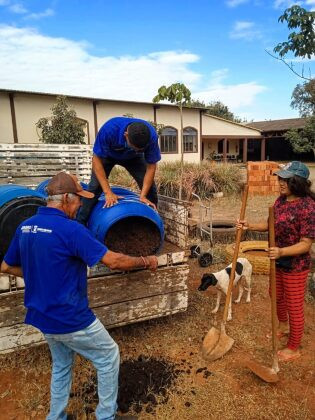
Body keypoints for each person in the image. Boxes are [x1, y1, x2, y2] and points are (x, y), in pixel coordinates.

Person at [0, 172, 158, 420]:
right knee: (108, 356)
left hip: (42, 317)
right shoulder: (72, 230)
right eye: (78, 200)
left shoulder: (25, 226)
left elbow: (6, 267)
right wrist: (146, 260)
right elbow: (114, 261)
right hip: (69, 317)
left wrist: (38, 273)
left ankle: (56, 417)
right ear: (65, 199)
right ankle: (107, 416)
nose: (81, 205)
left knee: (62, 365)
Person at [237, 161, 314, 362]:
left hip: (296, 265)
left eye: (285, 179)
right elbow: (271, 224)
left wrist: (281, 251)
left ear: (297, 182)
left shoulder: (308, 207)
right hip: (277, 260)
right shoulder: (281, 201)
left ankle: (294, 346)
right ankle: (283, 326)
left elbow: (306, 244)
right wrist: (250, 225)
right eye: (280, 178)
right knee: (276, 294)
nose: (280, 183)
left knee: (294, 304)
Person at [77, 117, 161, 225]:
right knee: (94, 188)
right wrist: (108, 192)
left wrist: (143, 196)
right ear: (126, 135)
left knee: (150, 190)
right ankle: (80, 223)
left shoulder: (151, 136)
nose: (137, 150)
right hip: (107, 156)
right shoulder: (109, 130)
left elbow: (151, 167)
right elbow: (96, 160)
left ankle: (153, 222)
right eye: (135, 147)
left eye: (141, 150)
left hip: (134, 158)